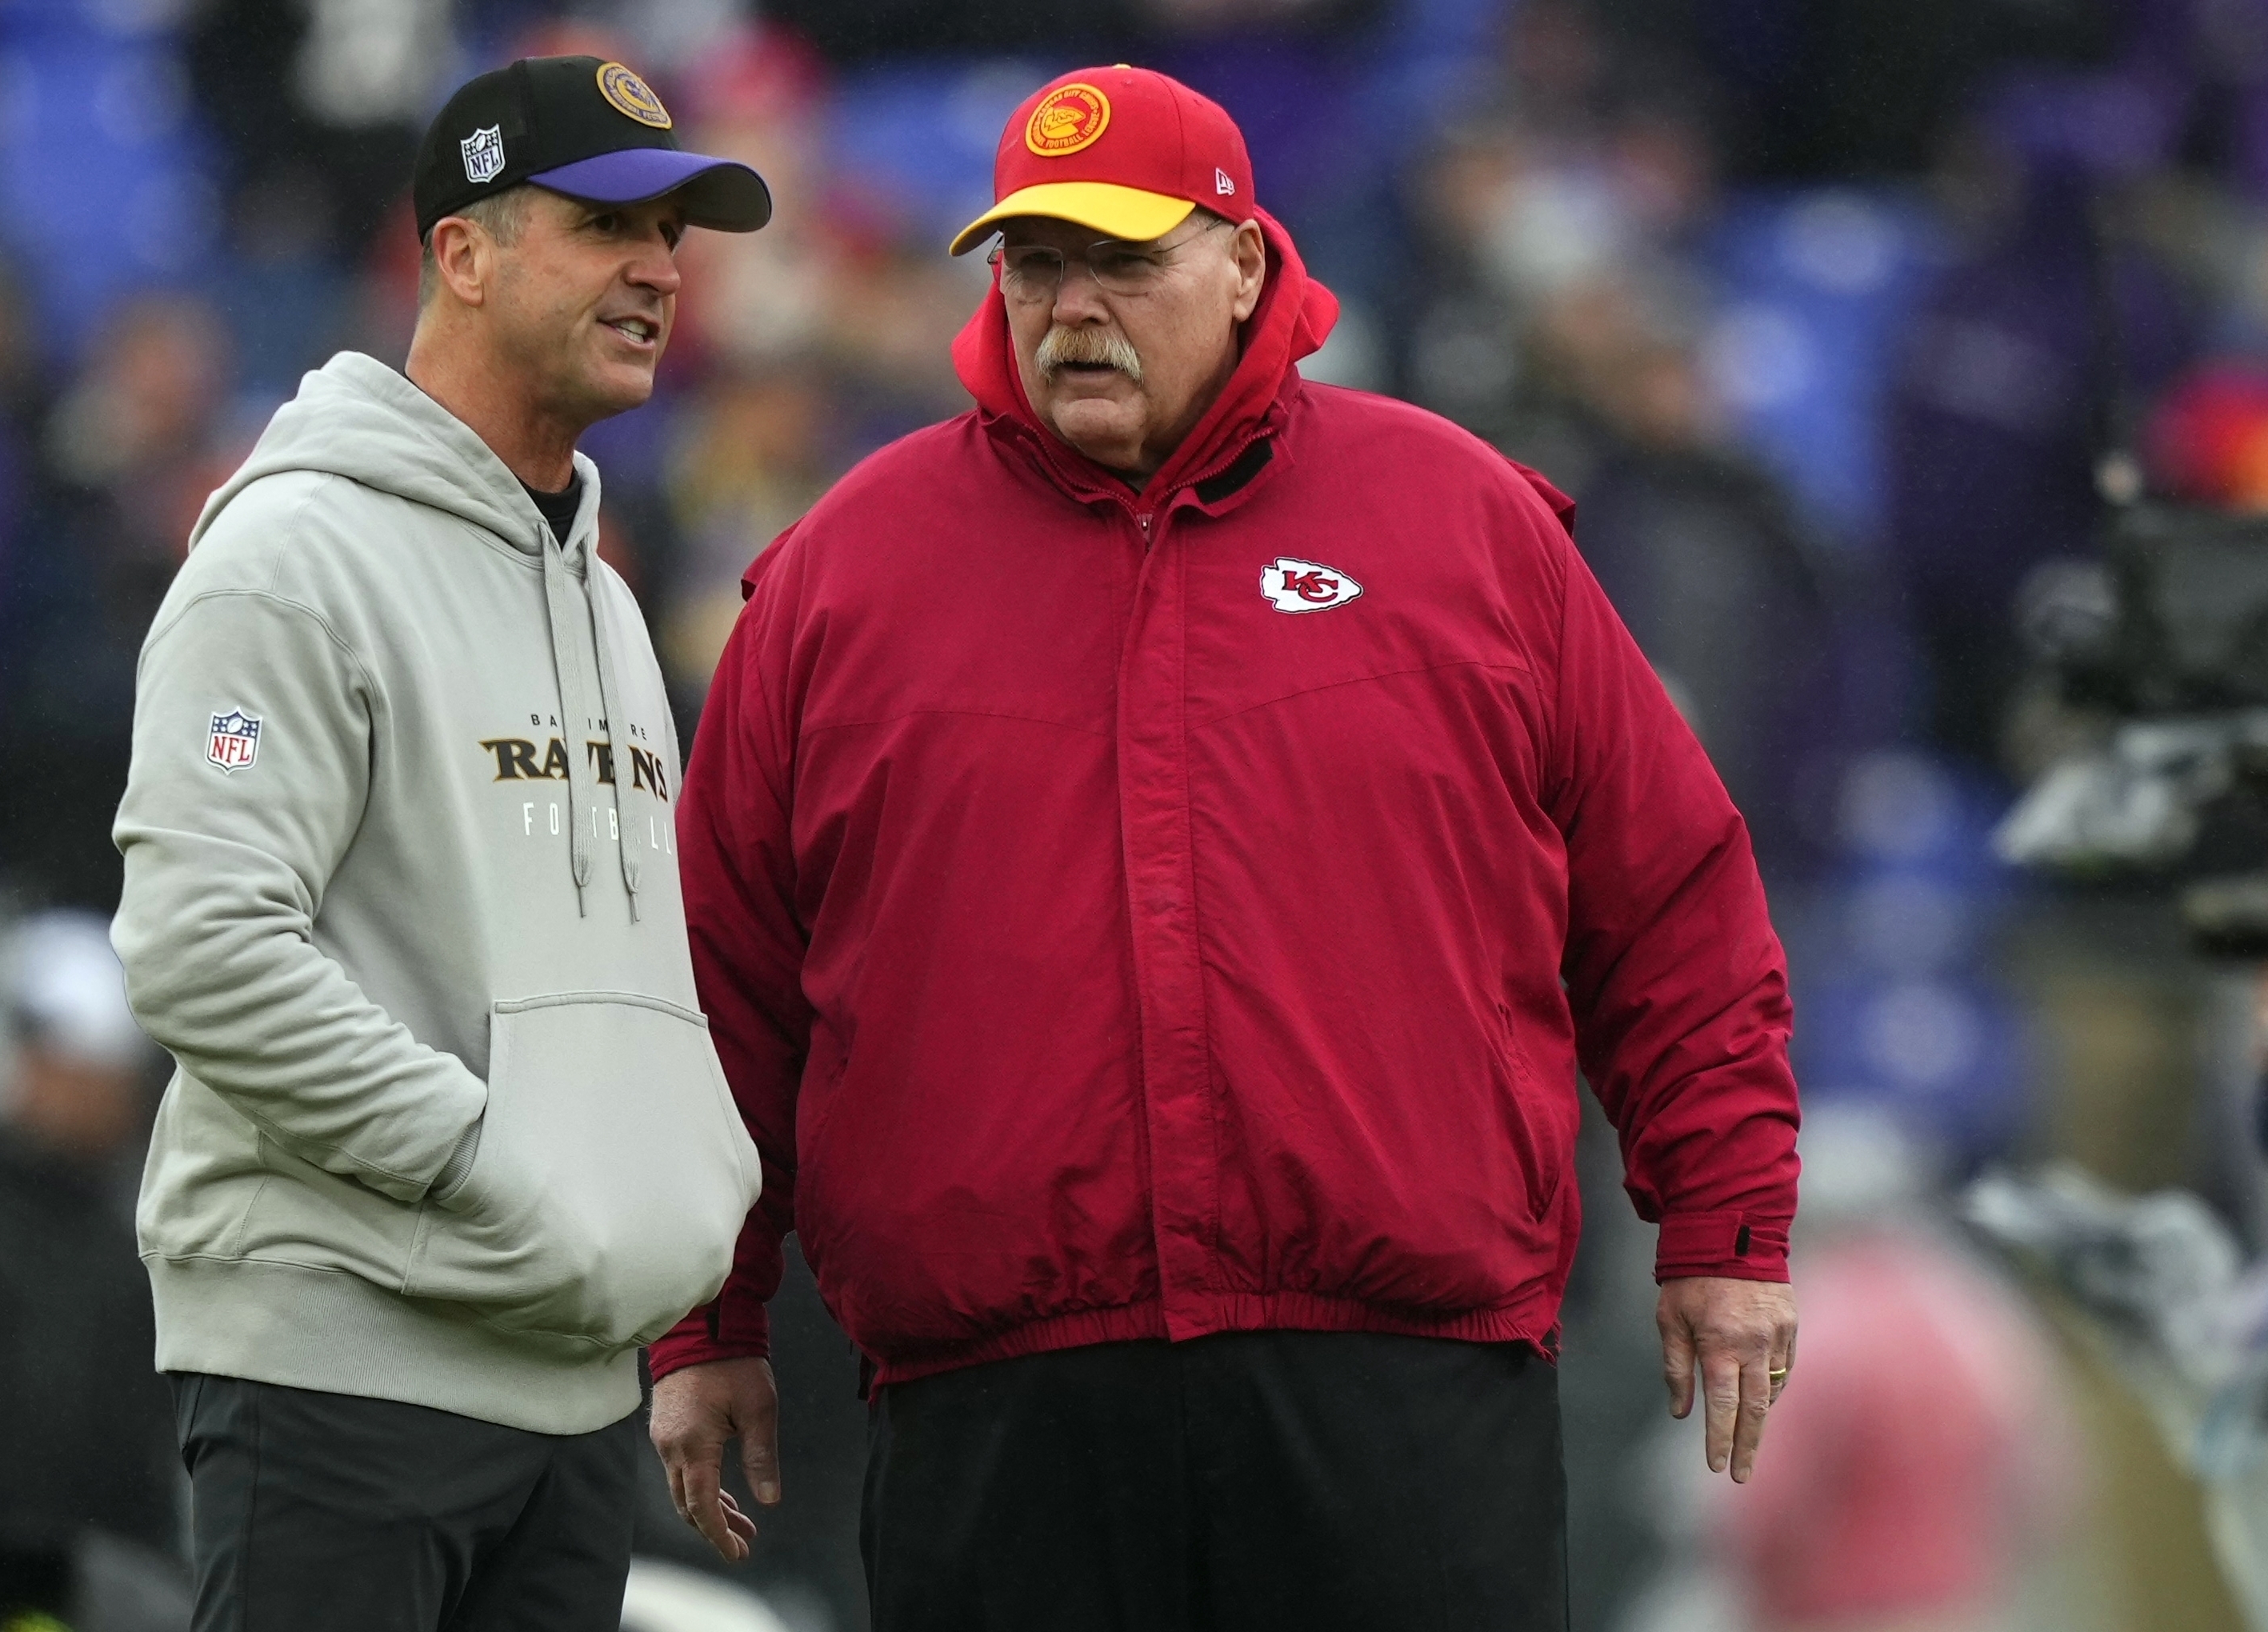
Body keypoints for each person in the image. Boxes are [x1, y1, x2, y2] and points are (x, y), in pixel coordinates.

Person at [647, 66, 1802, 1630]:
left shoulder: (1459, 524)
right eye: (1037, 264)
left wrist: (1723, 1227)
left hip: (1399, 1387)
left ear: (1245, 259)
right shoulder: (849, 573)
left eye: (1123, 262)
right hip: (1002, 1407)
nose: (1071, 308)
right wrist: (704, 1319)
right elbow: (723, 984)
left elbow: (1667, 903)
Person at [109, 55, 773, 1632]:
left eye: (674, 233)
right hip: (347, 1364)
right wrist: (490, 1165)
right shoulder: (293, 553)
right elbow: (200, 946)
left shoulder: (605, 593)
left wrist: (657, 1206)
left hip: (567, 1378)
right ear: (459, 252)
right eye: (604, 225)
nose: (659, 271)